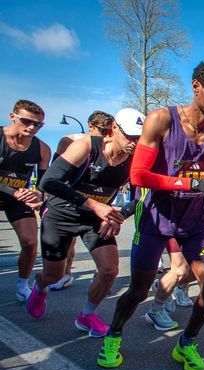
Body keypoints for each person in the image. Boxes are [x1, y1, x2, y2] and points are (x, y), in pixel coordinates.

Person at [100, 61, 204, 370]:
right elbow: (138, 175)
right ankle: (113, 335)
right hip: (156, 218)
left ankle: (186, 344)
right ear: (196, 87)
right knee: (140, 289)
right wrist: (194, 183)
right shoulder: (161, 119)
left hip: (195, 222)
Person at [26, 109, 145, 335]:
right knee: (55, 275)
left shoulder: (135, 158)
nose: (135, 143)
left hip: (94, 219)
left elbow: (140, 197)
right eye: (130, 136)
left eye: (139, 138)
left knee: (109, 270)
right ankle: (40, 287)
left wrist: (119, 216)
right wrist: (93, 204)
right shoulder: (86, 146)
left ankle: (87, 315)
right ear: (114, 129)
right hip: (61, 214)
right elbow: (49, 182)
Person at [49, 111, 116, 291]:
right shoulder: (71, 141)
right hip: (70, 201)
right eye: (103, 131)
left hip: (98, 204)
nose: (107, 135)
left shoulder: (112, 147)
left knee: (104, 247)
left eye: (111, 131)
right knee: (69, 242)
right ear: (90, 126)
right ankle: (65, 273)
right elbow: (54, 176)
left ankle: (100, 274)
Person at [1, 100, 51, 302]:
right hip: (12, 193)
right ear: (13, 117)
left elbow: (44, 182)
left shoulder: (42, 149)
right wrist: (12, 191)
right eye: (27, 121)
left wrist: (38, 194)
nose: (32, 128)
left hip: (17, 198)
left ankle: (23, 284)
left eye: (38, 124)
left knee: (30, 242)